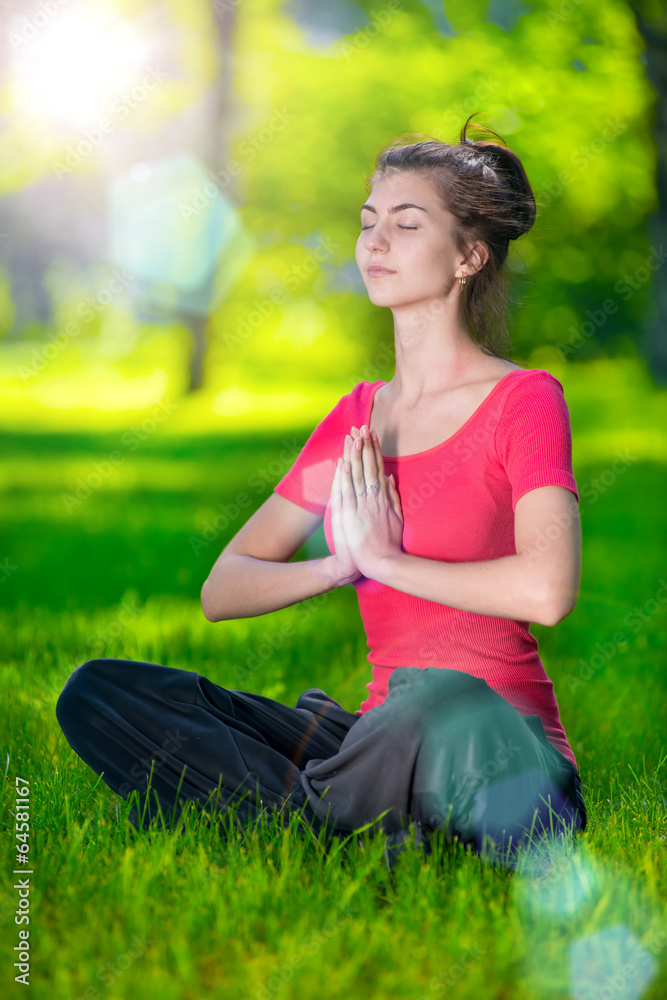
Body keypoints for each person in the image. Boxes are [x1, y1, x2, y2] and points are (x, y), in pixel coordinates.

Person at [56, 113, 587, 872]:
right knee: (101, 693)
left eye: (406, 225)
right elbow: (224, 588)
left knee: (434, 698)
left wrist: (385, 559)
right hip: (378, 738)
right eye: (368, 222)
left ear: (469, 255)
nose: (373, 242)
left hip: (498, 751)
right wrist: (340, 566)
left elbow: (546, 590)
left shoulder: (524, 400)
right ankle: (343, 818)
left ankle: (297, 815)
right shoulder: (357, 420)